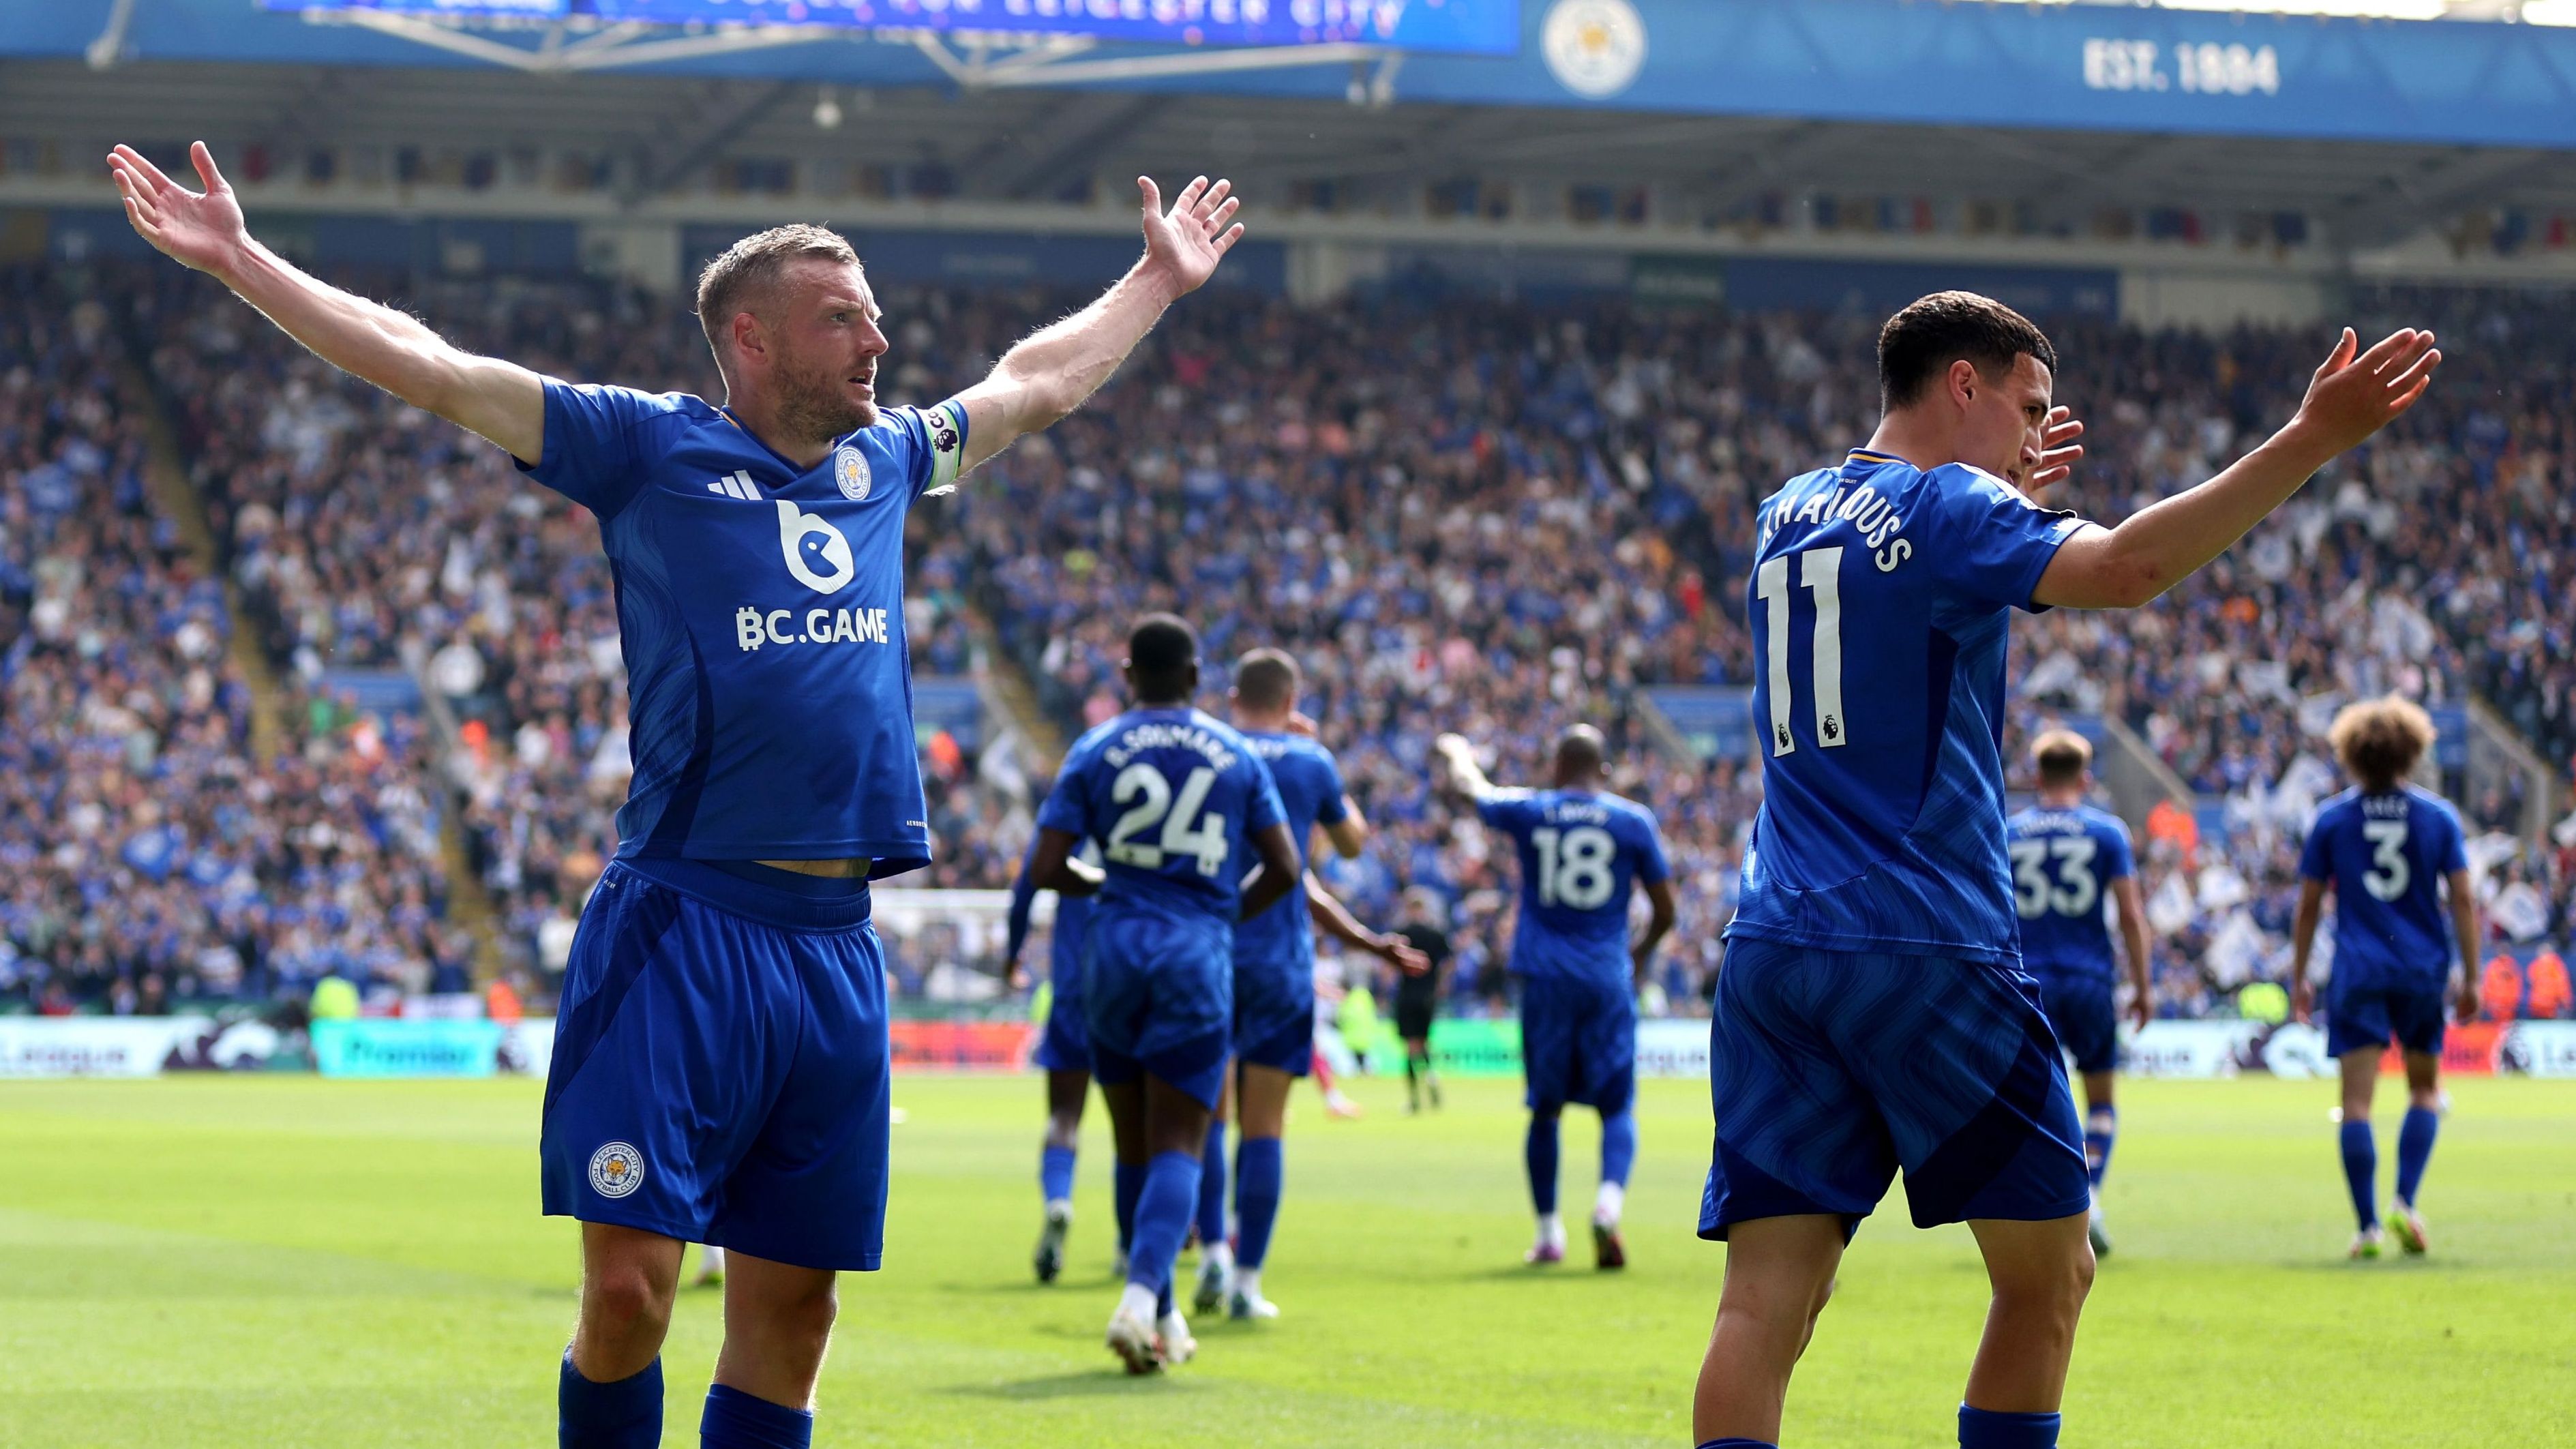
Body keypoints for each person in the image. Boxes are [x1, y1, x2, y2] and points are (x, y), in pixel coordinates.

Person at [108, 138, 1251, 1446]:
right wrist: (246, 264)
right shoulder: (646, 447)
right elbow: (429, 366)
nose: (877, 338)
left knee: (796, 1317)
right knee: (631, 1295)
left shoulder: (886, 463)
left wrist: (1155, 283)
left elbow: (1035, 383)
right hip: (681, 926)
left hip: (834, 946)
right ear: (751, 340)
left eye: (874, 312)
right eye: (843, 318)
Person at [1692, 290, 2437, 1449]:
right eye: (2027, 406)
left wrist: (2006, 512)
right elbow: (2132, 566)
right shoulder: (1948, 504)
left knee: (1764, 1301)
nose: (2037, 434)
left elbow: (1896, 604)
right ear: (1962, 387)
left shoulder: (1786, 511)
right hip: (1922, 948)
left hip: (1772, 945)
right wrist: (2312, 439)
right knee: (2050, 1278)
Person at [1025, 614, 1301, 1374]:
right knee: (1182, 1139)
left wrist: (1104, 881)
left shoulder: (1095, 747)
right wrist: (1216, 908)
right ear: (1193, 677)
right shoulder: (1236, 751)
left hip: (1111, 953)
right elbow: (1284, 866)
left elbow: (1047, 864)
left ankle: (1165, 1318)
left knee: (1131, 1143)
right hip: (1192, 956)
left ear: (1125, 674)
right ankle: (1143, 1297)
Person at [1195, 648, 1426, 1320]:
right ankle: (1245, 1282)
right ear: (1291, 699)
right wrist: (1316, 754)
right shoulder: (1308, 760)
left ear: (1234, 694)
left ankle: (1208, 1251)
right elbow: (1350, 843)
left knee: (1209, 1113)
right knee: (1265, 1123)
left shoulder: (1210, 749)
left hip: (1208, 953)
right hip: (1279, 961)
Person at [1433, 726, 1677, 1270]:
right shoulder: (1632, 820)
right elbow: (1666, 912)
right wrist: (1635, 958)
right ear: (1605, 772)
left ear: (1556, 767)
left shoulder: (1533, 810)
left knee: (1544, 1109)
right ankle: (1608, 1207)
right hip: (1604, 977)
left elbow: (1473, 788)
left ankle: (1548, 1234)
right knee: (1617, 1105)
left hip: (1543, 977)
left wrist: (1457, 752)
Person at [2288, 697, 2479, 1260]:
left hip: (2358, 969)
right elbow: (2464, 897)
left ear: (2351, 752)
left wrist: (2300, 975)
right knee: (2424, 1088)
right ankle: (2405, 1200)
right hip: (2422, 968)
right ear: (2412, 750)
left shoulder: (2332, 819)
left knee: (2357, 1104)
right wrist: (2470, 973)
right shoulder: (2438, 816)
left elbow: (2307, 906)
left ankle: (2368, 1227)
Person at [2004, 730, 2152, 1257]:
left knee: (2032, 1101)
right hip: (2090, 980)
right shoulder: (2106, 831)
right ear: (2085, 778)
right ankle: (2088, 1194)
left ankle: (2035, 1209)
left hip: (2027, 983)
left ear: (2038, 778)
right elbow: (2130, 915)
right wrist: (2143, 984)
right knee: (2102, 1100)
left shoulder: (2009, 832)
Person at [1006, 832, 1100, 1284]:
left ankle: (1058, 1199)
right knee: (1141, 1120)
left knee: (1064, 1113)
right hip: (1135, 981)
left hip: (1073, 989)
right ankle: (1134, 1245)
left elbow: (1026, 886)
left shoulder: (1069, 824)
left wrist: (1013, 954)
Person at [1393, 888, 1456, 1113]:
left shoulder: (1402, 934)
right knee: (1424, 1044)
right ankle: (1432, 1080)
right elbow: (1449, 961)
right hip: (1428, 997)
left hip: (1407, 995)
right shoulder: (1435, 934)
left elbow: (1389, 965)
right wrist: (1439, 983)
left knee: (1411, 1046)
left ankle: (1414, 1100)